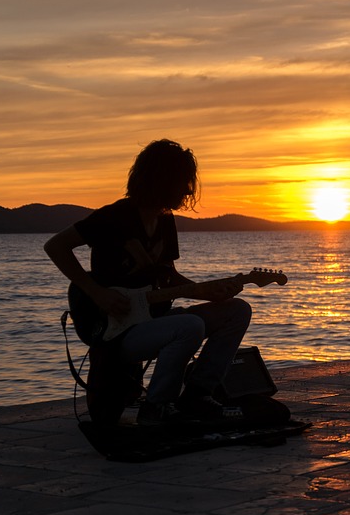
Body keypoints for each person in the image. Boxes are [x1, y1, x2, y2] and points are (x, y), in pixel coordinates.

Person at [45, 139, 253, 425]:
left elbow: (168, 278)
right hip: (119, 333)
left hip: (155, 319)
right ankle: (157, 407)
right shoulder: (114, 216)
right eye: (183, 181)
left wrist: (208, 292)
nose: (188, 189)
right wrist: (96, 292)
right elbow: (56, 246)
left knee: (237, 310)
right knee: (189, 326)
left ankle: (198, 394)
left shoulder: (165, 222)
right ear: (163, 179)